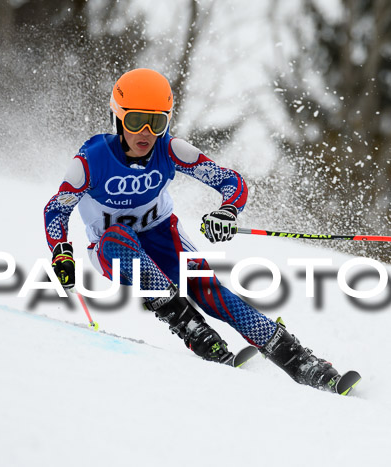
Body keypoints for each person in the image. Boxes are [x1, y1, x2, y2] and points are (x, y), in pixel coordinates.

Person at [43, 68, 351, 392]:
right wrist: (61, 251)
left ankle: (298, 359)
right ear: (117, 119)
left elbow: (231, 181)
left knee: (210, 291)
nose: (145, 132)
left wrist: (228, 210)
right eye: (135, 121)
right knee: (118, 237)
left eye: (157, 122)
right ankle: (194, 330)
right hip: (112, 250)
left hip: (163, 236)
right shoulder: (90, 161)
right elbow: (57, 209)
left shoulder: (170, 149)